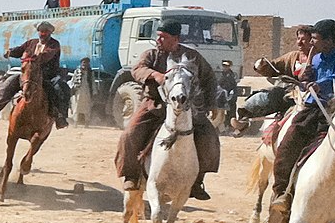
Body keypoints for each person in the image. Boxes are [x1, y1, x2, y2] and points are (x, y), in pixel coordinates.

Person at [268, 19, 335, 222]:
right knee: (287, 145)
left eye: (316, 39)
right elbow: (306, 84)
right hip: (313, 110)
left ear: (329, 41)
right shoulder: (316, 59)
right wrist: (305, 78)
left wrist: (320, 83)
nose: (312, 42)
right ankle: (281, 193)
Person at [115, 20, 220, 200]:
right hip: (154, 105)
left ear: (176, 38)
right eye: (158, 37)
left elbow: (209, 78)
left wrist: (211, 104)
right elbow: (137, 69)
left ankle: (197, 180)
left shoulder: (192, 56)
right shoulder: (151, 55)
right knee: (130, 134)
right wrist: (155, 75)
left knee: (209, 138)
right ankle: (131, 176)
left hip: (187, 109)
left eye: (163, 37)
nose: (159, 40)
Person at [0, 21, 70, 128]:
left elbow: (47, 55)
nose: (42, 34)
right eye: (41, 31)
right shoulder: (31, 43)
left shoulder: (54, 44)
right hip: (30, 74)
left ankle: (60, 116)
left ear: (49, 33)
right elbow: (20, 49)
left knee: (59, 88)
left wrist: (35, 58)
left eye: (45, 32)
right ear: (38, 32)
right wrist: (11, 52)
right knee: (11, 82)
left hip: (47, 75)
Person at [230, 24, 313, 132]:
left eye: (304, 40)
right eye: (298, 39)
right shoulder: (293, 56)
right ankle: (244, 121)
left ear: (312, 41)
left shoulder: (319, 58)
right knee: (262, 97)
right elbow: (274, 66)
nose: (299, 42)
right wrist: (262, 65)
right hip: (290, 94)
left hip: (310, 95)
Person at [68, 57, 95, 127]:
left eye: (86, 63)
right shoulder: (77, 71)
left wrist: (94, 92)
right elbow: (73, 81)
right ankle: (75, 122)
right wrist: (72, 89)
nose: (85, 64)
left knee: (87, 107)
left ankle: (86, 123)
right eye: (84, 62)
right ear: (81, 63)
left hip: (87, 91)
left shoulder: (90, 73)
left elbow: (93, 83)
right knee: (76, 107)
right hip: (79, 92)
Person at [217, 60, 239, 131]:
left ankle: (231, 127)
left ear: (230, 67)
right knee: (220, 112)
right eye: (224, 66)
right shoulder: (221, 74)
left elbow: (233, 86)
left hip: (231, 95)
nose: (225, 67)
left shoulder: (232, 75)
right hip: (222, 96)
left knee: (231, 112)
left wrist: (231, 95)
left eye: (226, 66)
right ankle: (222, 127)